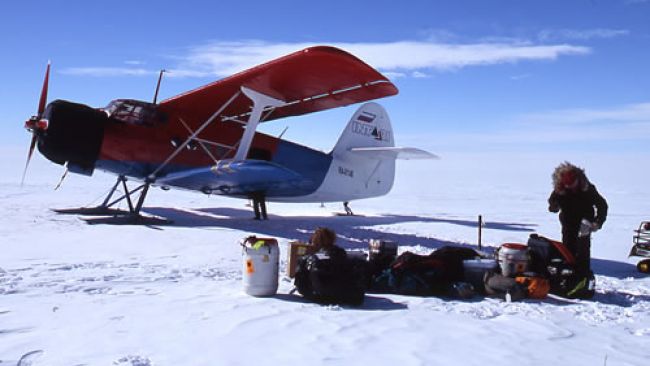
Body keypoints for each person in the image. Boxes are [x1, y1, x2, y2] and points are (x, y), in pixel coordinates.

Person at [548, 162, 608, 280]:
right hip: (568, 221)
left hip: (585, 221)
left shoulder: (588, 188)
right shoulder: (560, 188)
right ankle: (569, 274)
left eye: (572, 184)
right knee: (568, 247)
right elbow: (552, 202)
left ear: (577, 180)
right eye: (567, 185)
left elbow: (602, 205)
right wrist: (554, 206)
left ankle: (583, 275)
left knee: (583, 247)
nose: (570, 187)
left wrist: (598, 222)